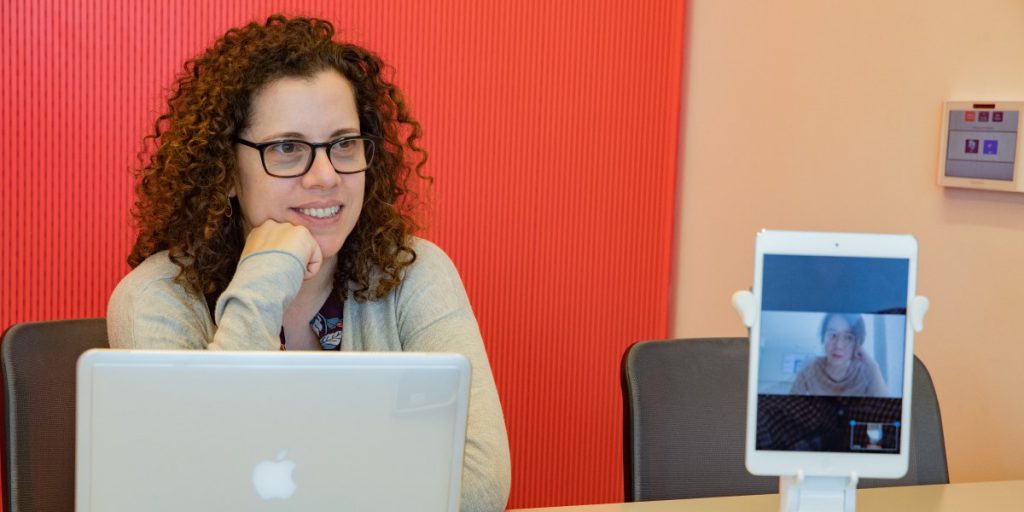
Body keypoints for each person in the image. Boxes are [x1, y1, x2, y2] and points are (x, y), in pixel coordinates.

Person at [106, 15, 511, 511]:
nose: (325, 176)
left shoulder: (416, 274)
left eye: (343, 144)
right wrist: (263, 283)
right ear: (227, 170)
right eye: (287, 148)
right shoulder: (155, 300)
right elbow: (193, 497)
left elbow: (479, 489)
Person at [790, 313, 887, 397]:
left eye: (848, 337)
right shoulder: (810, 367)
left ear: (857, 343)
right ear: (823, 337)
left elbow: (886, 410)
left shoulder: (865, 372)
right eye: (832, 335)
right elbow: (791, 405)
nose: (838, 345)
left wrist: (874, 367)